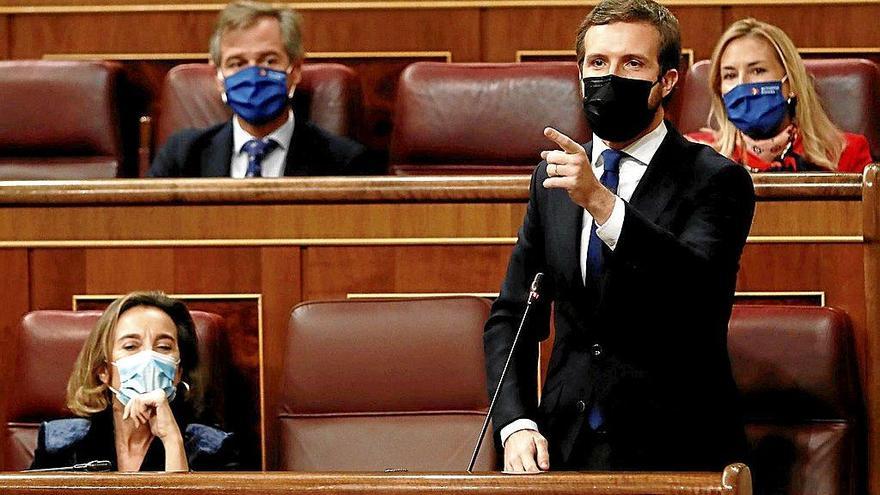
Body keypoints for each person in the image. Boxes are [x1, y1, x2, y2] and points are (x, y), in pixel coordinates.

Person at [483, 0, 755, 474]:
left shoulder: (715, 180)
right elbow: (512, 314)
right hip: (563, 451)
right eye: (598, 62)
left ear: (666, 81)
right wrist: (517, 422)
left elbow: (696, 292)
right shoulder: (554, 180)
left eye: (632, 63)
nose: (611, 76)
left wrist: (603, 205)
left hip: (677, 450)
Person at [149, 0, 368, 177]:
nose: (253, 75)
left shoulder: (344, 161)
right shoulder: (182, 155)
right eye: (237, 64)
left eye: (269, 61)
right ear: (218, 76)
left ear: (296, 70)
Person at [30, 292, 237, 471]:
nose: (149, 357)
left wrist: (173, 442)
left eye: (164, 347)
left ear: (178, 372)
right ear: (103, 370)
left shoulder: (213, 447)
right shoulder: (59, 443)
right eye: (130, 346)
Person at [686, 18, 872, 173]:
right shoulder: (694, 155)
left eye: (758, 70)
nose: (742, 84)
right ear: (719, 90)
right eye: (730, 75)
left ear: (790, 82)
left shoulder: (846, 153)